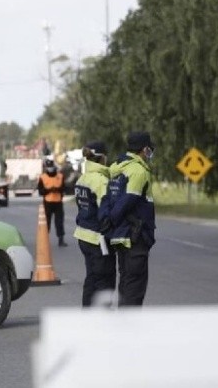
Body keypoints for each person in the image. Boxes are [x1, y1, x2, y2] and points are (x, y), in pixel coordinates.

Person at [101, 131, 156, 306]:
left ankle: (123, 325)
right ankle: (130, 327)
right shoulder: (138, 170)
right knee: (134, 286)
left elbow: (110, 198)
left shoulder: (117, 168)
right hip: (135, 235)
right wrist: (114, 219)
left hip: (121, 235)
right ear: (144, 149)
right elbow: (128, 201)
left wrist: (110, 223)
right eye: (149, 147)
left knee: (125, 282)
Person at [73, 141, 115, 307]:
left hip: (83, 236)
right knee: (104, 281)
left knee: (91, 278)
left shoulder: (82, 178)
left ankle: (88, 315)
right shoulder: (100, 181)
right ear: (102, 157)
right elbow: (106, 212)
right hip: (99, 239)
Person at [37, 157, 67, 247]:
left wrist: (58, 189)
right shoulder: (42, 177)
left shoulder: (60, 176)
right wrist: (49, 190)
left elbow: (64, 188)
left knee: (59, 222)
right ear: (46, 168)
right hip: (47, 202)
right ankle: (45, 240)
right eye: (48, 167)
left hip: (58, 202)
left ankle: (61, 240)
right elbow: (40, 191)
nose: (50, 168)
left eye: (51, 166)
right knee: (47, 223)